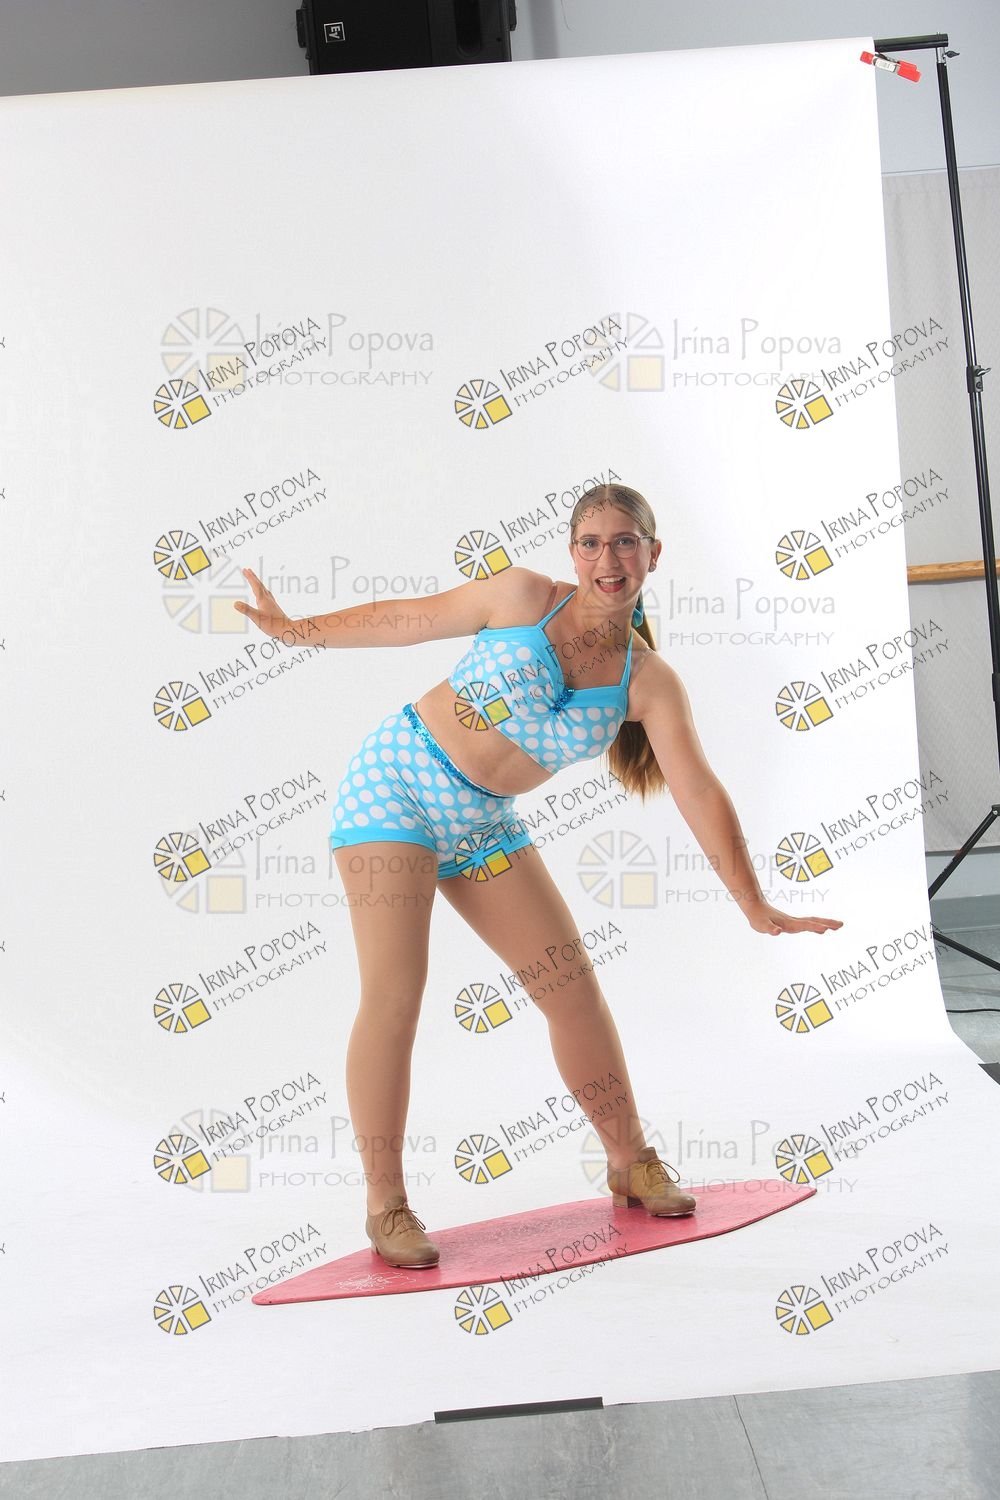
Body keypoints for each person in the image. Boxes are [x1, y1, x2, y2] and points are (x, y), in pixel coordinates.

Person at [235, 483, 842, 1270]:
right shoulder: (522, 598)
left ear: (653, 554)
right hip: (395, 789)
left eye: (625, 542)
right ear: (572, 553)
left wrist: (753, 902)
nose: (607, 559)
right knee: (395, 994)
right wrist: (294, 629)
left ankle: (631, 1161)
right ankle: (387, 1205)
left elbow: (696, 788)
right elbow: (403, 618)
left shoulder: (647, 682)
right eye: (591, 543)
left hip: (483, 823)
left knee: (571, 988)